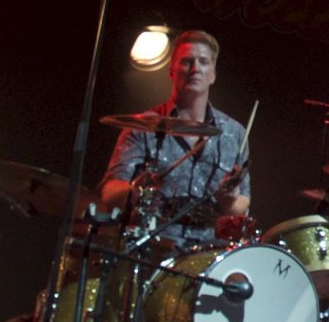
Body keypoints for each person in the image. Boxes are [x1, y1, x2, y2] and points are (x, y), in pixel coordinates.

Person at [100, 29, 251, 252]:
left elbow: (243, 204)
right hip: (152, 246)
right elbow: (109, 192)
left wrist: (229, 200)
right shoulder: (142, 127)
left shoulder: (235, 133)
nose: (195, 69)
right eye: (186, 62)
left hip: (208, 253)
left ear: (213, 74)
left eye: (203, 62)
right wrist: (136, 190)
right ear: (171, 70)